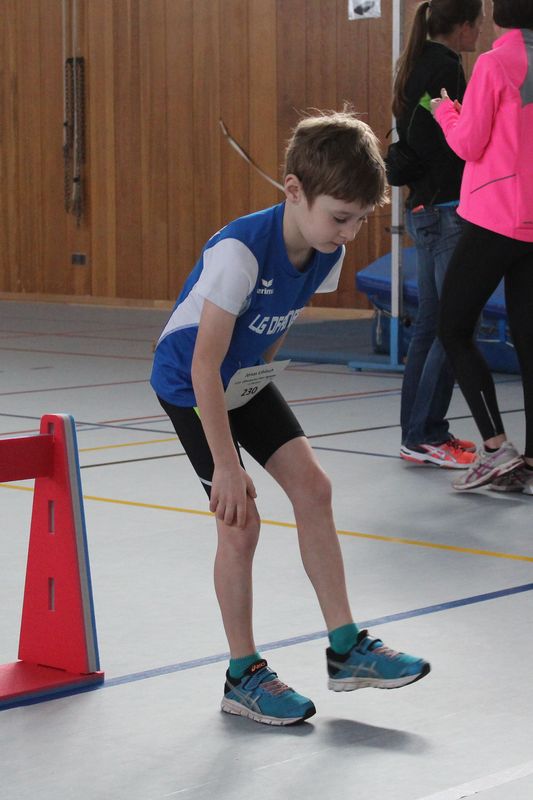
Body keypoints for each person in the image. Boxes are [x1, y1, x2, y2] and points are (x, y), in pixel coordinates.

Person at [151, 110, 430, 727]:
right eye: (341, 217)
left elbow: (271, 330)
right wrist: (228, 465)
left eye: (361, 219)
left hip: (239, 375)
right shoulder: (238, 254)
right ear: (294, 190)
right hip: (191, 382)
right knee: (240, 522)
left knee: (313, 487)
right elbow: (203, 366)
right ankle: (242, 675)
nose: (350, 232)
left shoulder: (326, 251)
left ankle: (346, 649)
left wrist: (259, 379)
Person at [431, 0, 533, 493]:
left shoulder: (495, 63)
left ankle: (495, 449)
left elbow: (468, 143)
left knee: (452, 327)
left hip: (496, 218)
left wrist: (445, 112)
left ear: (498, 15)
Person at [391, 0, 484, 469]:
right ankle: (425, 433)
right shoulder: (444, 68)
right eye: (478, 24)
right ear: (463, 26)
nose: (480, 33)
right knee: (453, 326)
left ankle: (417, 433)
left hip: (427, 208)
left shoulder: (419, 62)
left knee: (432, 325)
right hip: (443, 211)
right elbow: (451, 138)